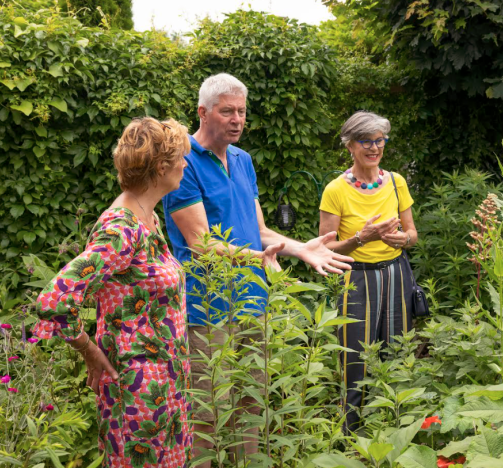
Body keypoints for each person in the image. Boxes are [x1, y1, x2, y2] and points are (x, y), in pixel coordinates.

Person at [162, 73, 353, 461]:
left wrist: (300, 249)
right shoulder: (182, 165)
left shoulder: (242, 160)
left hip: (253, 302)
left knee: (251, 406)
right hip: (207, 309)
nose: (237, 119)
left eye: (242, 112)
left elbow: (260, 230)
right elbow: (201, 244)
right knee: (209, 411)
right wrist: (256, 258)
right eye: (227, 111)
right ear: (202, 112)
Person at [33, 118, 194, 467]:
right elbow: (55, 299)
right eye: (182, 157)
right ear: (162, 167)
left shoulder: (146, 217)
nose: (186, 164)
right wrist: (88, 350)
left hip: (165, 387)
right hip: (136, 392)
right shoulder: (121, 228)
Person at [318, 110, 419, 432]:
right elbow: (325, 249)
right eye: (366, 141)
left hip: (396, 273)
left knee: (399, 352)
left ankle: (398, 427)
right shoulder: (335, 190)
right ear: (349, 145)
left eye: (380, 141)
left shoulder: (396, 182)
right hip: (356, 278)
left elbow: (412, 234)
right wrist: (361, 238)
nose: (374, 148)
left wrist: (403, 238)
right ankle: (351, 435)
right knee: (355, 358)